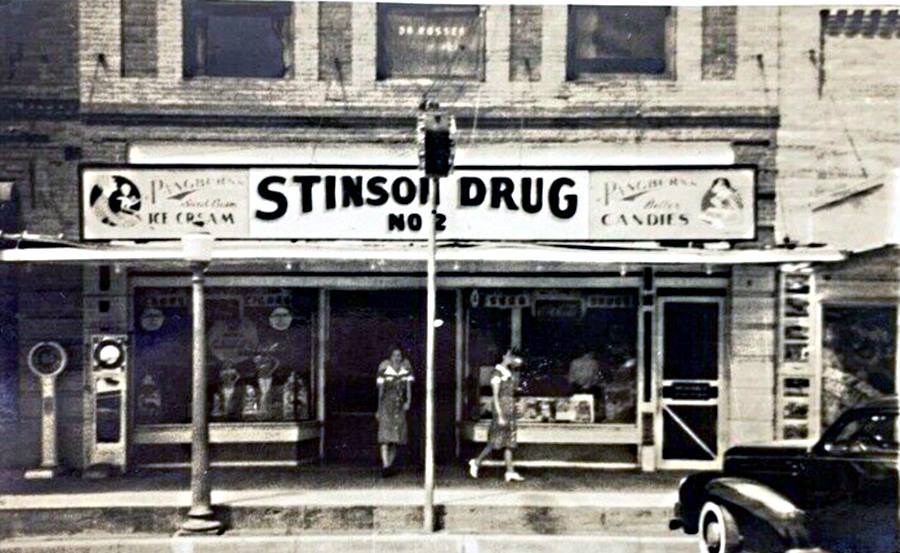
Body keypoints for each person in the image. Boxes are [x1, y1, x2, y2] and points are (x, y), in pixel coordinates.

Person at [468, 349, 525, 482]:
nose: (512, 358)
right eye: (510, 355)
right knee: (495, 441)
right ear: (504, 356)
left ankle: (510, 471)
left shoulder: (508, 373)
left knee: (509, 442)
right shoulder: (497, 373)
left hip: (509, 410)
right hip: (502, 410)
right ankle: (476, 462)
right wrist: (499, 414)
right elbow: (495, 396)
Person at [376, 347, 413, 477]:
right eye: (394, 355)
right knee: (385, 438)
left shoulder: (406, 371)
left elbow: (408, 389)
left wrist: (408, 401)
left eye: (399, 355)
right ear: (390, 357)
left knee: (395, 438)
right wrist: (378, 409)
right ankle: (385, 466)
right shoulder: (384, 371)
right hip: (386, 406)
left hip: (399, 407)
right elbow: (380, 392)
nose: (397, 358)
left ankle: (389, 466)